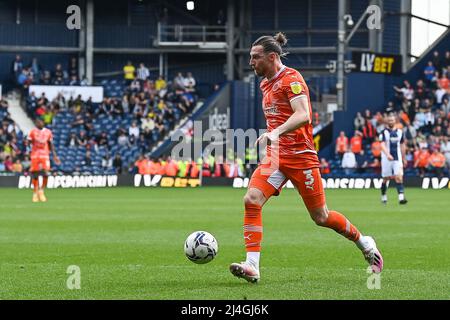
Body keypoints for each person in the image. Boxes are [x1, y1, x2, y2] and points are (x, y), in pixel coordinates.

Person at [229, 33, 383, 284]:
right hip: (277, 157)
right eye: (250, 57)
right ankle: (252, 265)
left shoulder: (292, 79)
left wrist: (275, 132)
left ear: (272, 57)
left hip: (302, 157)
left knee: (321, 217)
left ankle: (365, 243)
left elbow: (304, 115)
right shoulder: (264, 83)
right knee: (251, 200)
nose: (250, 62)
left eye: (255, 57)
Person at [28, 119, 60, 202]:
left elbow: (50, 144)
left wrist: (55, 156)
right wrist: (28, 152)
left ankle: (41, 191)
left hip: (45, 155)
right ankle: (35, 193)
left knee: (46, 173)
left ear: (43, 122)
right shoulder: (32, 132)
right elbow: (28, 143)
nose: (39, 123)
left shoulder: (48, 132)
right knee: (35, 174)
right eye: (37, 122)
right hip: (35, 155)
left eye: (40, 122)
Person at [379, 111, 408, 205]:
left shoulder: (400, 132)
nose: (391, 121)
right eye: (389, 120)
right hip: (386, 159)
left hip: (397, 158)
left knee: (399, 177)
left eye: (392, 120)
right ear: (387, 121)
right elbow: (382, 145)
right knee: (386, 178)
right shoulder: (383, 133)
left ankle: (401, 198)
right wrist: (387, 154)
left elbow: (402, 145)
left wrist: (404, 157)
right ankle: (383, 195)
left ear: (395, 121)